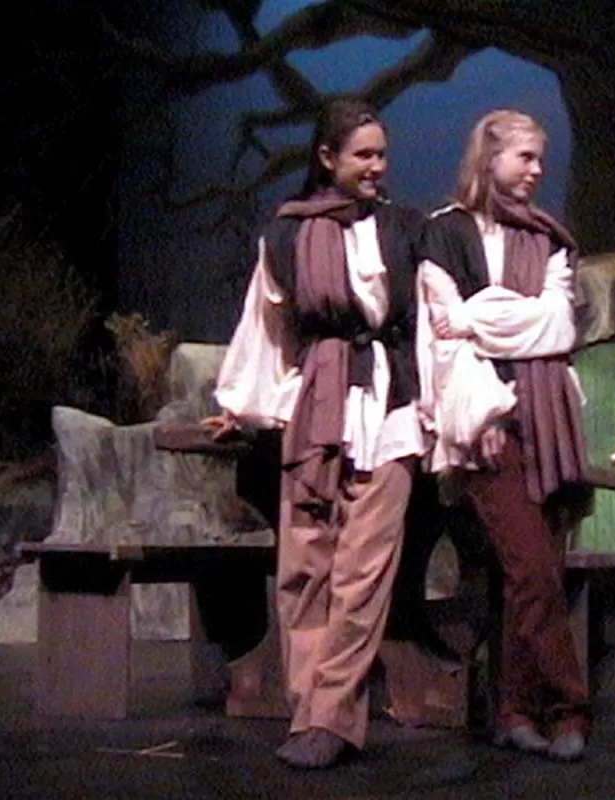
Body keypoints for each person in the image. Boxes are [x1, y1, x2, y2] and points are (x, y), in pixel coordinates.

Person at [205, 99, 427, 770]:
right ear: (327, 158)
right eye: (363, 154)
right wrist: (242, 405)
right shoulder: (287, 233)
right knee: (305, 567)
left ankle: (330, 718)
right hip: (316, 408)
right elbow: (266, 325)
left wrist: (443, 411)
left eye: (382, 154)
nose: (376, 166)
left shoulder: (405, 229)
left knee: (362, 573)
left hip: (388, 407)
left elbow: (431, 325)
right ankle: (308, 713)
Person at [415, 109, 592, 762]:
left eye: (541, 158)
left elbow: (557, 327)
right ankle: (570, 707)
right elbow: (441, 339)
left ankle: (515, 710)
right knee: (531, 570)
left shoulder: (550, 240)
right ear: (489, 159)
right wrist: (480, 416)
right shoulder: (446, 233)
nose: (537, 170)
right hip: (491, 421)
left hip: (551, 419)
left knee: (534, 575)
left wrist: (479, 315)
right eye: (525, 157)